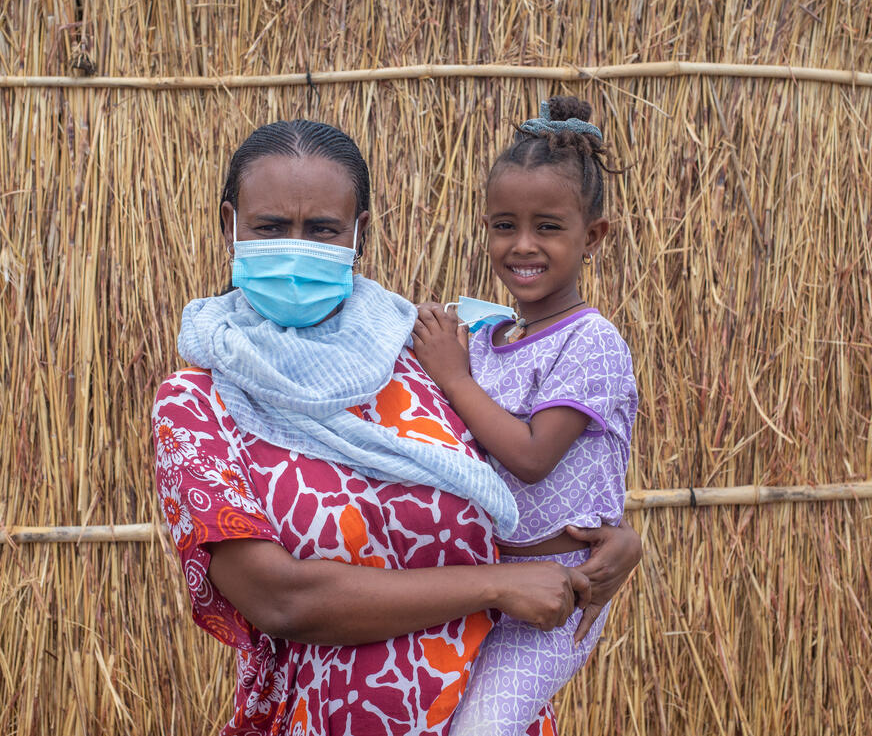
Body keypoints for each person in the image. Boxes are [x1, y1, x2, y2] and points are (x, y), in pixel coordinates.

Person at [151, 118, 642, 736]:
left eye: (323, 229)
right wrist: (497, 583)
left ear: (359, 234)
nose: (297, 247)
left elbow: (535, 466)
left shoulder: (417, 361)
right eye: (272, 227)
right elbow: (282, 599)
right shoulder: (197, 407)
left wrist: (613, 539)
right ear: (231, 226)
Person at [411, 96, 638, 736]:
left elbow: (535, 459)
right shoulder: (487, 338)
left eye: (549, 227)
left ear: (593, 237)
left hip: (557, 593)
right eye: (504, 225)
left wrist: (452, 375)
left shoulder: (591, 342)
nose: (523, 246)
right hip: (479, 581)